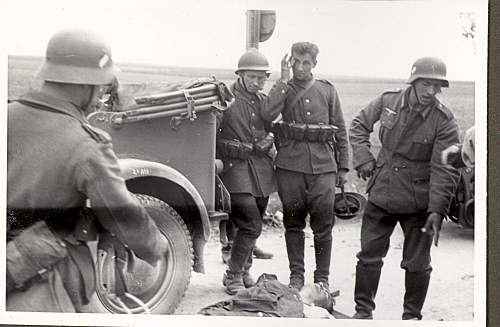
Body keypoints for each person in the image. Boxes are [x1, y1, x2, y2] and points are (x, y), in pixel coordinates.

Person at [7, 29, 168, 312]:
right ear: (86, 84)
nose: (100, 100)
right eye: (102, 88)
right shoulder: (86, 144)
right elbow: (121, 212)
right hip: (41, 279)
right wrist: (156, 245)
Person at [349, 57, 461, 320]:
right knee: (368, 256)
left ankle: (411, 317)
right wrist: (364, 158)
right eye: (426, 85)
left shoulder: (443, 119)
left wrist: (437, 209)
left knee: (418, 263)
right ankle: (362, 312)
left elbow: (445, 167)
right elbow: (358, 125)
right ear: (413, 82)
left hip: (418, 201)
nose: (431, 92)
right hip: (382, 190)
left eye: (437, 86)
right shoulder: (389, 101)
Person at [260, 42, 350, 291]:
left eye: (306, 63)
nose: (300, 67)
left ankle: (322, 279)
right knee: (294, 223)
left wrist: (343, 167)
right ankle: (296, 277)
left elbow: (340, 129)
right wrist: (282, 80)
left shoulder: (327, 91)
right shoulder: (285, 88)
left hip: (323, 166)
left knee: (323, 226)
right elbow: (267, 114)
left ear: (314, 64)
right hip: (291, 166)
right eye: (295, 62)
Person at [216, 48, 289, 295]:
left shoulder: (262, 101)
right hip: (235, 169)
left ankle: (245, 269)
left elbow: (271, 123)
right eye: (252, 77)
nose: (257, 83)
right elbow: (208, 133)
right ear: (240, 75)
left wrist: (270, 137)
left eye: (262, 78)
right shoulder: (224, 99)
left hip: (260, 171)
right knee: (251, 224)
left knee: (249, 224)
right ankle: (232, 275)